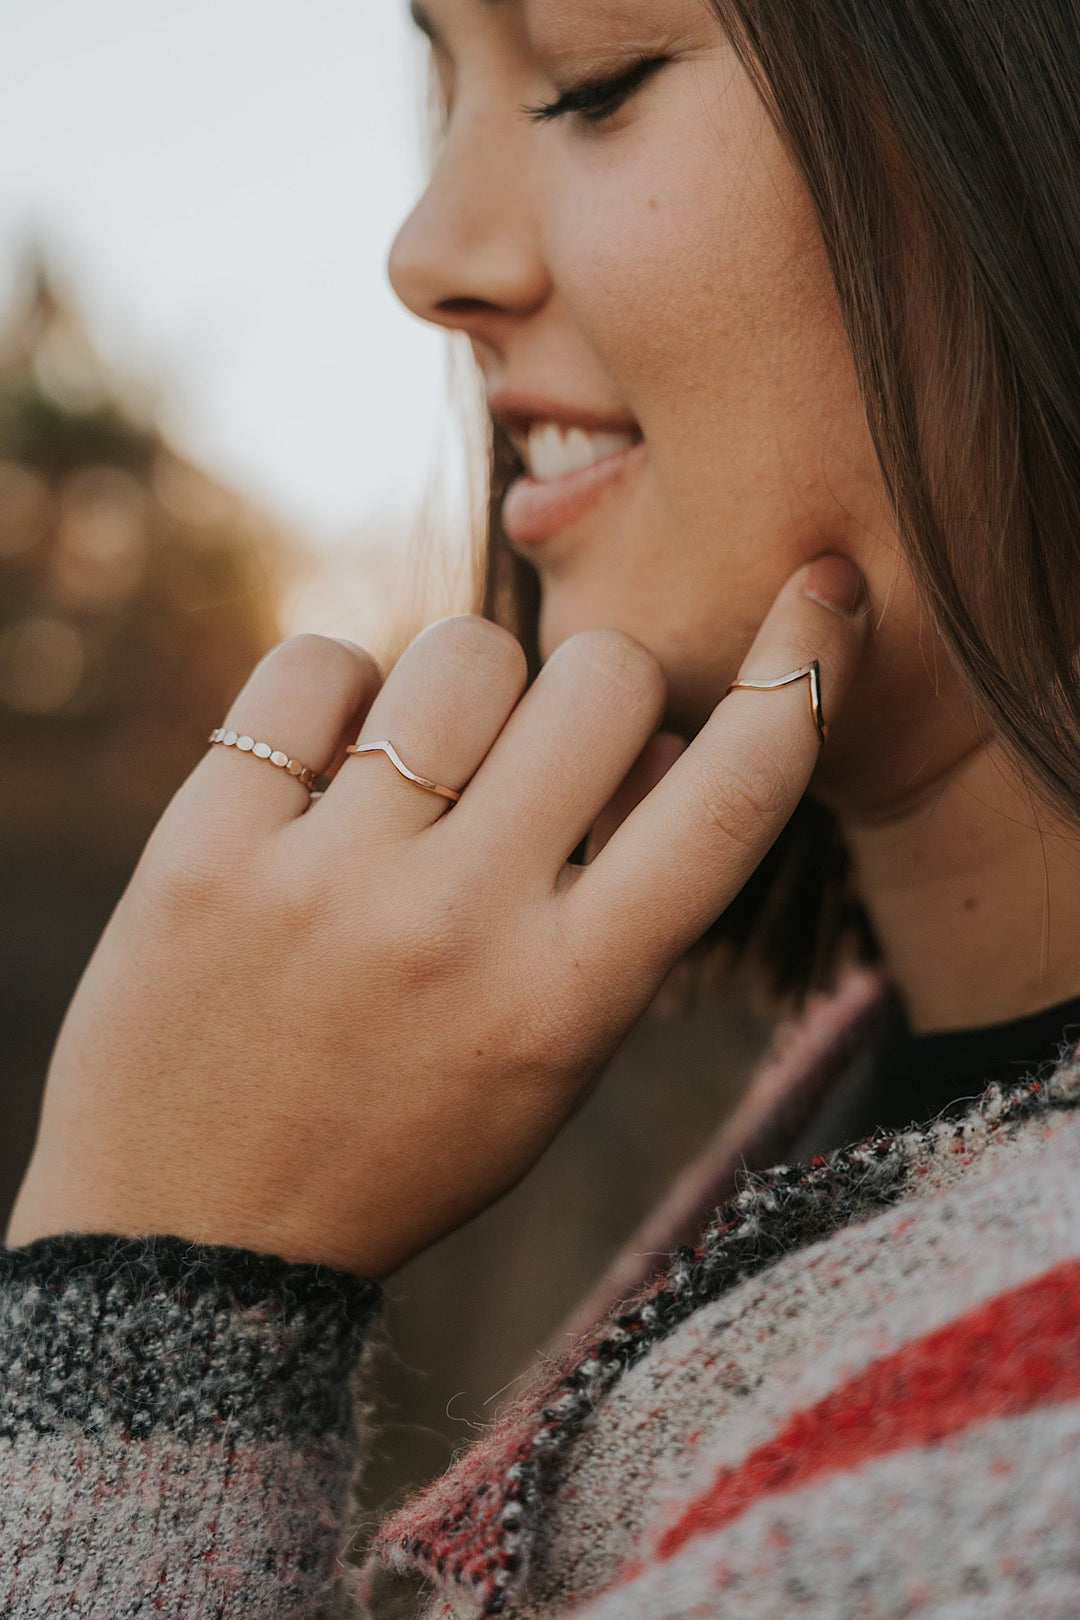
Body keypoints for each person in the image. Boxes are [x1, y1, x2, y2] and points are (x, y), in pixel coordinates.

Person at [4, 0, 1080, 1613]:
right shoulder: (867, 1092)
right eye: (445, 95)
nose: (427, 253)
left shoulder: (1019, 1467)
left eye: (592, 82)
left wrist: (157, 1303)